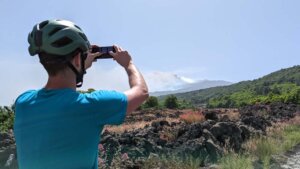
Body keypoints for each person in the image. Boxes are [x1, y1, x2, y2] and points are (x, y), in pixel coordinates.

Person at [13, 19, 149, 169]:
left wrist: (79, 64)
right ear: (78, 59)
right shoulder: (92, 106)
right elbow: (141, 91)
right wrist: (128, 64)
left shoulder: (23, 102)